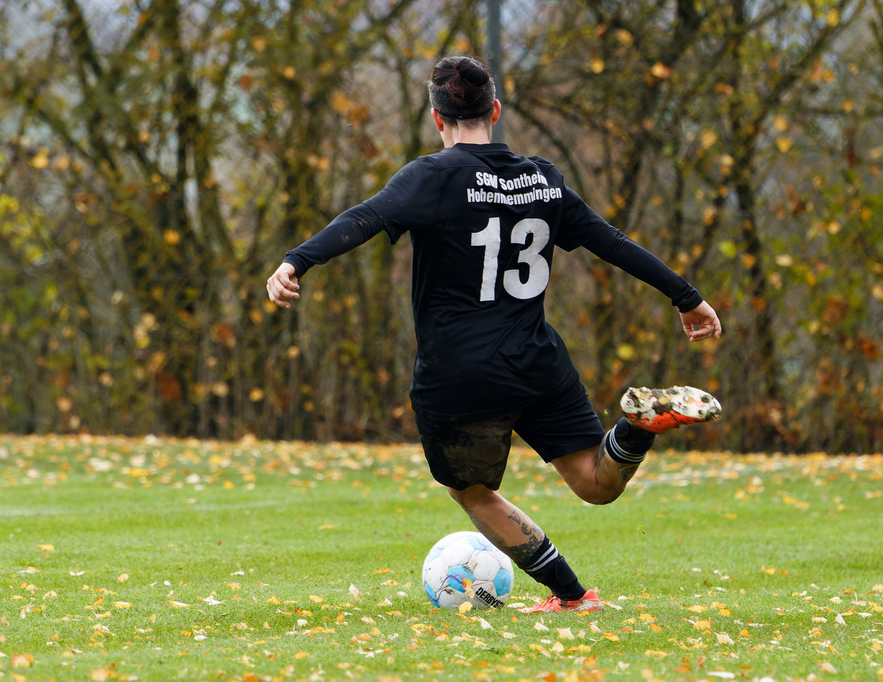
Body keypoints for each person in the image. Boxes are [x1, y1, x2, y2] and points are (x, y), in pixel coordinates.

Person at [266, 56, 723, 613]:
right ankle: (636, 426)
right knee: (595, 484)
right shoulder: (543, 179)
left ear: (438, 120)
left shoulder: (432, 176)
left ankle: (573, 596)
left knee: (471, 491)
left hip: (461, 375)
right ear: (496, 112)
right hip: (537, 362)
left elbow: (363, 218)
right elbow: (612, 241)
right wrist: (687, 296)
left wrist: (296, 262)